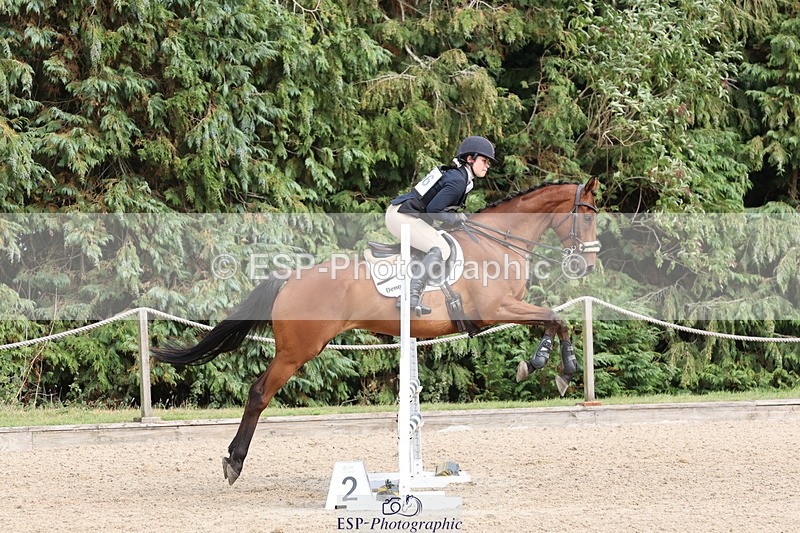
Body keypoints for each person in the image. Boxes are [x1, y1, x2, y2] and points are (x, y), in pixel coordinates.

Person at [386, 135, 496, 315]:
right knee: (441, 248)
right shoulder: (458, 180)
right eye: (484, 161)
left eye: (488, 163)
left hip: (406, 213)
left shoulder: (459, 176)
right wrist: (456, 219)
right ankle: (410, 295)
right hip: (402, 216)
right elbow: (433, 210)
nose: (487, 166)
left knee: (440, 241)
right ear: (470, 159)